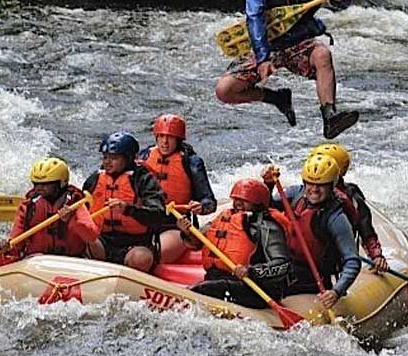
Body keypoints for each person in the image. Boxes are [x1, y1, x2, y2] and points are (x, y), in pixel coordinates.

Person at [215, 0, 359, 139]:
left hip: (299, 41)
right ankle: (277, 98)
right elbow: (255, 19)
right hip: (267, 43)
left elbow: (343, 2)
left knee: (322, 55)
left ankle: (330, 116)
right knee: (224, 91)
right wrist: (263, 58)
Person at [262, 154, 361, 309]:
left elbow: (352, 261)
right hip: (285, 264)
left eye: (321, 185)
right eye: (311, 183)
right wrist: (268, 185)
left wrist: (336, 291)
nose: (314, 189)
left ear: (332, 185)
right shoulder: (296, 194)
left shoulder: (336, 218)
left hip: (313, 277)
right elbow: (266, 206)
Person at [176, 178, 292, 309]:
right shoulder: (226, 217)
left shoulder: (266, 226)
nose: (238, 204)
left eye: (245, 201)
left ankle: (180, 303)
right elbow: (197, 242)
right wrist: (187, 231)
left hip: (252, 287)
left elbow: (283, 264)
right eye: (236, 199)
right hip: (217, 280)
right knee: (210, 286)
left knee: (205, 288)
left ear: (257, 204)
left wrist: (251, 271)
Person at [82, 131, 167, 273]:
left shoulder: (143, 180)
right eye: (105, 157)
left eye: (113, 158)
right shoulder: (95, 179)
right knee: (80, 240)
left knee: (141, 258)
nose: (107, 162)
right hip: (102, 242)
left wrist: (128, 209)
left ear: (128, 158)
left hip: (135, 244)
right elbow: (81, 211)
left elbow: (158, 215)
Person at [137, 114, 217, 263]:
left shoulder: (192, 162)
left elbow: (210, 203)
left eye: (170, 137)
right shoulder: (144, 156)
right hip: (144, 220)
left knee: (151, 256)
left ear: (178, 139)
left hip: (175, 225)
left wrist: (201, 207)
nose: (165, 142)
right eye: (161, 136)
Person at [0, 157, 100, 261]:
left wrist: (71, 220)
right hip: (37, 260)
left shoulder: (76, 204)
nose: (39, 187)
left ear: (60, 183)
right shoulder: (28, 206)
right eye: (36, 184)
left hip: (72, 260)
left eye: (45, 184)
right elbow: (16, 241)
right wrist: (7, 246)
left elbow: (91, 237)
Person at [308, 143, 388, 273]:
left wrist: (376, 255)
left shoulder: (351, 195)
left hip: (338, 258)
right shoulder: (303, 193)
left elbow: (365, 227)